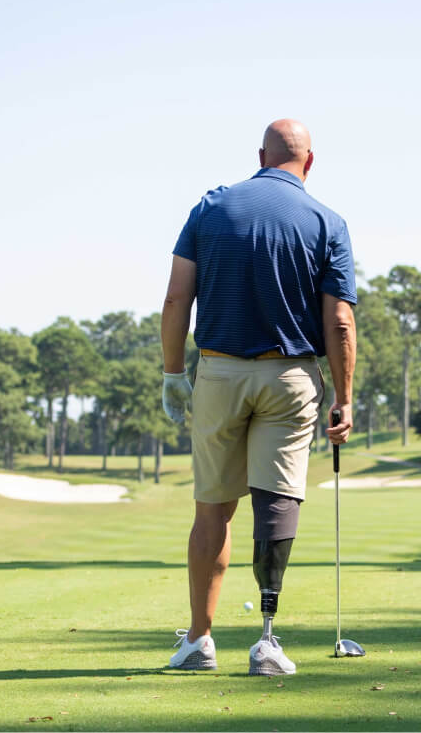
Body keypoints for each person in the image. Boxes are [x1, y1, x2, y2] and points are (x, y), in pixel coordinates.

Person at [160, 118, 357, 676]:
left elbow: (177, 299)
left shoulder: (210, 208)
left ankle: (199, 640)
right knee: (276, 502)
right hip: (290, 376)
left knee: (213, 510)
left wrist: (174, 373)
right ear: (310, 162)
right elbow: (339, 323)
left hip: (218, 374)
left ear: (260, 155)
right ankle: (267, 643)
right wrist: (344, 396)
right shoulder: (327, 221)